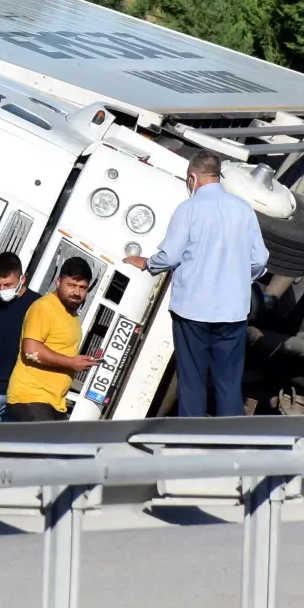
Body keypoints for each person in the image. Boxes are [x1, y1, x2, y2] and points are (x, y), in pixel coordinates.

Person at [125, 150, 267, 417]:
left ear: (193, 177)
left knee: (192, 383)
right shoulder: (243, 210)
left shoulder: (188, 209)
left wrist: (147, 263)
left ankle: (188, 444)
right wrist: (237, 279)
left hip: (192, 312)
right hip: (232, 313)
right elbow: (259, 259)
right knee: (228, 384)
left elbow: (170, 256)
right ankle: (231, 444)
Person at [4, 256, 98, 422]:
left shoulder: (72, 314)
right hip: (31, 397)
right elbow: (31, 350)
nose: (77, 292)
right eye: (71, 285)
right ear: (58, 282)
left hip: (54, 402)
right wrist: (72, 363)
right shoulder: (45, 307)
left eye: (82, 288)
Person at [0, 251, 38, 424]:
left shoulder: (37, 305)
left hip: (19, 396)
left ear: (22, 279)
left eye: (8, 284)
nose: (2, 290)